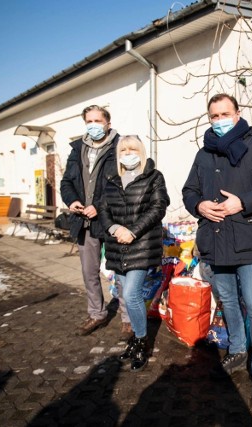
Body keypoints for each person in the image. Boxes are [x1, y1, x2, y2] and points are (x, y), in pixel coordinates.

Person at [182, 93, 252, 410]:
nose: (220, 120)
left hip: (246, 240)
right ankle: (239, 349)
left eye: (225, 113)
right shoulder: (204, 154)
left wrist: (243, 202)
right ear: (209, 119)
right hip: (214, 241)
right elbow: (189, 191)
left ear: (238, 114)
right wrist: (198, 204)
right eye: (214, 116)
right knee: (227, 300)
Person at [100, 135, 169, 372]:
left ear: (141, 151)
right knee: (125, 296)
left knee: (131, 295)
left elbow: (158, 207)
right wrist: (115, 228)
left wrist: (133, 232)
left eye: (133, 149)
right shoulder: (111, 179)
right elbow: (103, 209)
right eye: (123, 150)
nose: (128, 154)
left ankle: (141, 341)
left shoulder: (153, 177)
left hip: (141, 245)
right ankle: (136, 340)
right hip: (117, 246)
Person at [60, 105, 131, 338]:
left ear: (107, 123)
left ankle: (128, 318)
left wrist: (99, 206)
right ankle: (97, 314)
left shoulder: (120, 147)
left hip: (111, 219)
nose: (93, 125)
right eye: (89, 121)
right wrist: (72, 201)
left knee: (119, 271)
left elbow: (124, 183)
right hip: (84, 221)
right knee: (89, 271)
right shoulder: (77, 148)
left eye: (98, 121)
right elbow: (66, 182)